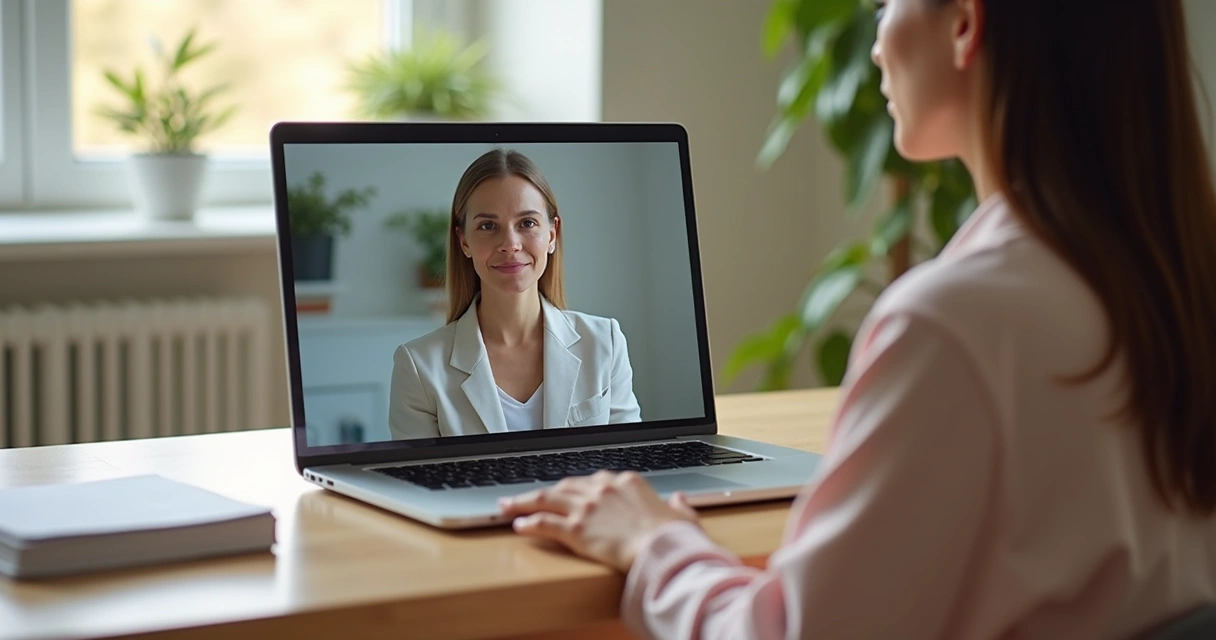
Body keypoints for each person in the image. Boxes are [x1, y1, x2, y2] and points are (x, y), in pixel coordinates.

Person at [497, 0, 1216, 637]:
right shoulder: (1175, 281)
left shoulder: (954, 323)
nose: (875, 45)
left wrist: (653, 541)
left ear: (965, 23)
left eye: (884, 5)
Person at [388, 148, 642, 439]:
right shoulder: (418, 365)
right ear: (463, 241)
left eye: (527, 223)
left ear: (552, 234)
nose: (510, 244)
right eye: (488, 226)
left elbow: (628, 464)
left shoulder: (604, 342)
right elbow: (417, 481)